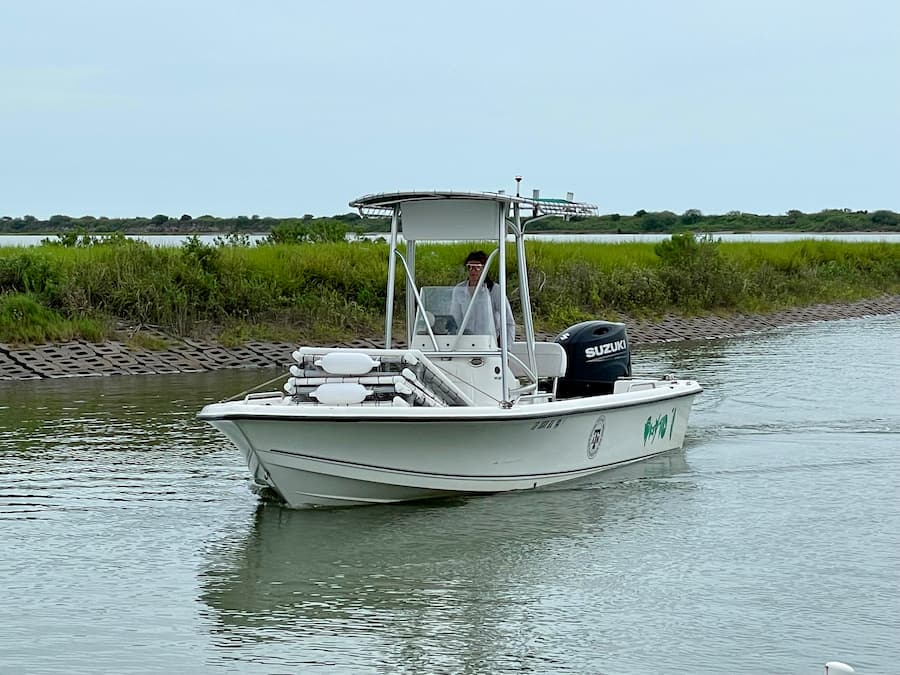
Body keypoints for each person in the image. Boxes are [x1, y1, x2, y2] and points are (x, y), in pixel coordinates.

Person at [450, 250, 516, 345]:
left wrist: (506, 349)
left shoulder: (495, 290)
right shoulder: (459, 289)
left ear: (484, 269)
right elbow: (454, 319)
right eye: (470, 267)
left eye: (477, 268)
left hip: (489, 344)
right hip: (465, 342)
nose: (473, 271)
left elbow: (508, 322)